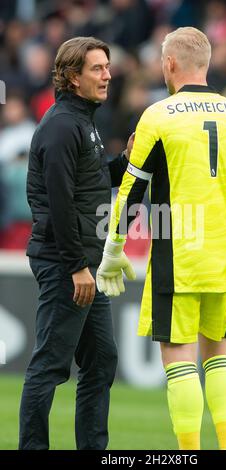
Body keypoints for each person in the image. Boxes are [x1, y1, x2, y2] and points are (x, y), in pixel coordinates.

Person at [96, 27, 226, 450]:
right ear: (206, 63)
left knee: (179, 357)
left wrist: (113, 248)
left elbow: (132, 190)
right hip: (225, 254)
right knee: (220, 355)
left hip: (178, 252)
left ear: (169, 63)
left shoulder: (159, 114)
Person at [19, 36, 133, 450]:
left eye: (107, 66)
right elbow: (62, 204)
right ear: (72, 77)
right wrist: (75, 266)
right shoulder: (63, 125)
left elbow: (89, 184)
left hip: (84, 262)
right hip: (68, 264)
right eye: (97, 69)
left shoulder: (80, 121)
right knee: (49, 365)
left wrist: (126, 159)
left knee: (101, 362)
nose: (107, 75)